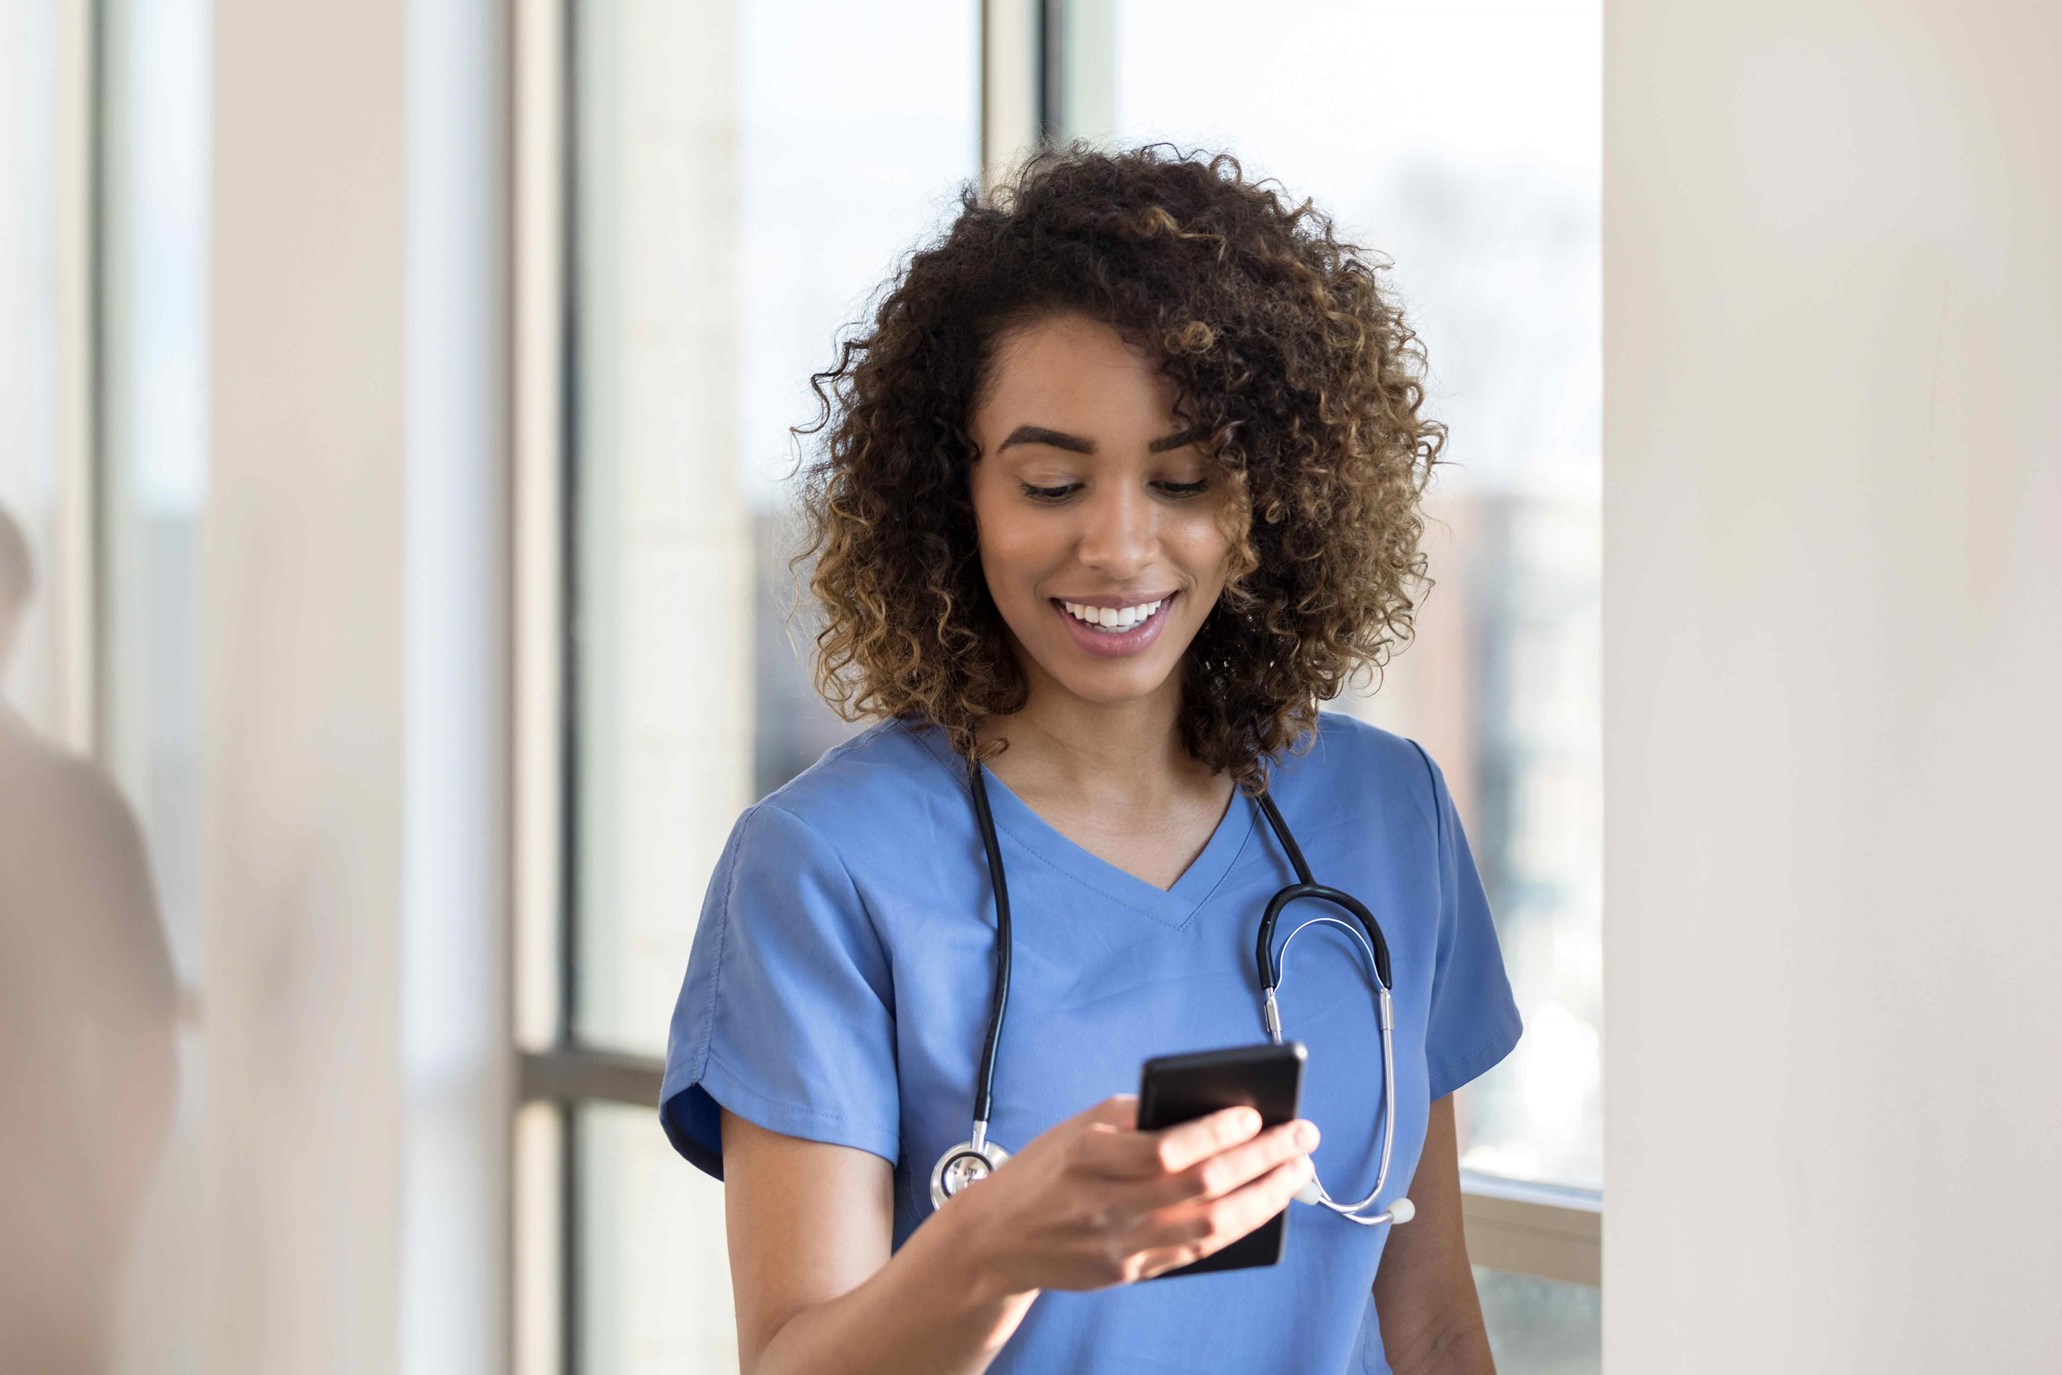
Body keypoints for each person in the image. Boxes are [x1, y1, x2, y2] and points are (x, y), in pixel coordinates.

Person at [658, 143, 1523, 1375]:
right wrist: (993, 1249)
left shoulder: (1388, 814)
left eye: (1183, 479)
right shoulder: (824, 868)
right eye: (1052, 482)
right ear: (952, 492)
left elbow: (1429, 1324)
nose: (1118, 545)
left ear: (1271, 497)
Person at [0, 503, 180, 1372]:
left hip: (36, 1285)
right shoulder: (77, 806)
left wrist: (88, 1249)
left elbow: (148, 1056)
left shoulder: (74, 810)